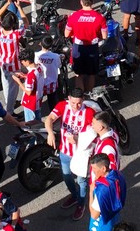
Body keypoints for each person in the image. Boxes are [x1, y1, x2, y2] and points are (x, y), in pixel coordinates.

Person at [46, 88, 97, 219]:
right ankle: (74, 196)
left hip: (81, 155)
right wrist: (50, 133)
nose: (75, 106)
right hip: (65, 152)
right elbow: (49, 118)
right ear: (68, 98)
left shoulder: (89, 112)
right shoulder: (63, 105)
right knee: (67, 177)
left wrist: (77, 139)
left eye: (79, 103)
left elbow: (95, 135)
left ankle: (81, 204)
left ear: (83, 100)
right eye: (73, 103)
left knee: (81, 181)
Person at [65, 0, 108, 94]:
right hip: (92, 48)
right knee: (91, 74)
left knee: (78, 74)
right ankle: (88, 94)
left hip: (78, 48)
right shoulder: (100, 17)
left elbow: (66, 34)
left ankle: (79, 95)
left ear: (81, 2)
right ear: (92, 2)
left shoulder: (73, 16)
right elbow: (104, 36)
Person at [88, 154, 126, 231]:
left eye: (94, 168)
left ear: (103, 168)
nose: (92, 171)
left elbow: (94, 215)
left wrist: (91, 192)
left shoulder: (101, 190)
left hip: (103, 224)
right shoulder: (118, 174)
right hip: (115, 215)